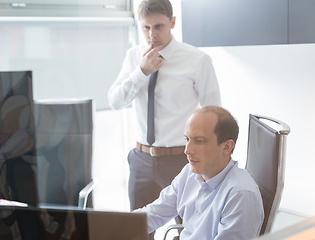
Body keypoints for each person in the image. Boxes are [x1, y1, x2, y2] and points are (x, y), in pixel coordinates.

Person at [108, 0, 221, 234]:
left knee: (188, 230)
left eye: (158, 26)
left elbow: (214, 114)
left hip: (181, 160)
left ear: (172, 22)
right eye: (146, 28)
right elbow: (115, 101)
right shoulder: (133, 57)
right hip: (141, 160)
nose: (152, 35)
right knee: (137, 230)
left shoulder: (197, 60)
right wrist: (141, 73)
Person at [135, 106, 264, 239]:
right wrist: (118, 226)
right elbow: (153, 214)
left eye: (199, 141)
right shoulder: (189, 173)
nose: (187, 150)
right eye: (187, 139)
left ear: (226, 147)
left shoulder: (240, 195)